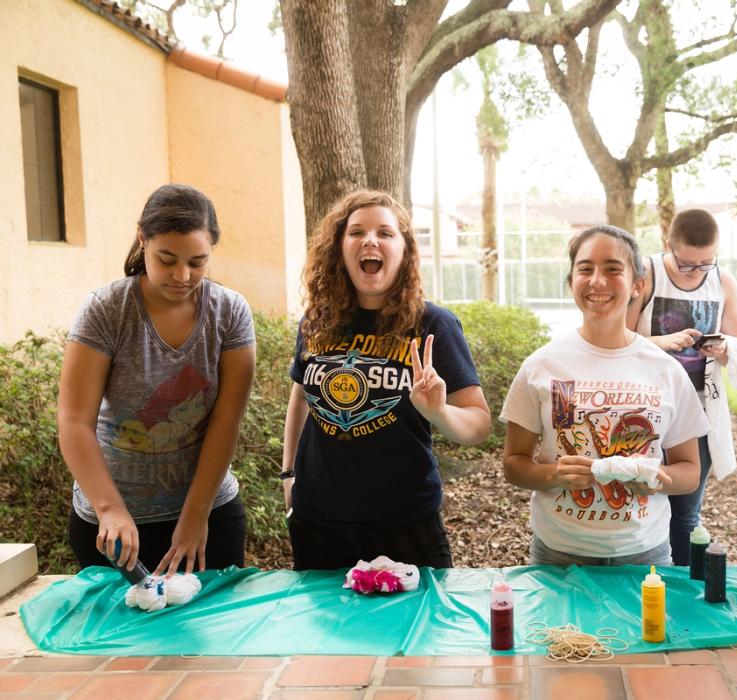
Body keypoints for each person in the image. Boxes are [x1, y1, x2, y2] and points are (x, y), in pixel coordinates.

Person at [282, 190, 490, 571]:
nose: (370, 240)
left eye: (385, 232)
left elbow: (478, 425)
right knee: (324, 632)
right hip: (318, 524)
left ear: (405, 251)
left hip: (405, 525)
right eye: (356, 232)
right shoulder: (317, 321)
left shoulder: (433, 325)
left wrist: (440, 411)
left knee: (418, 630)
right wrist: (288, 475)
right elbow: (300, 399)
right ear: (338, 248)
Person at [58, 184, 256, 578]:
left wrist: (196, 516)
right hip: (112, 527)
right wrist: (110, 509)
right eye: (167, 260)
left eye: (197, 262)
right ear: (142, 238)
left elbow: (226, 419)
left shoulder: (229, 312)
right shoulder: (106, 310)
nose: (182, 276)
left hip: (207, 518)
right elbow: (74, 421)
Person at [502, 224, 708, 566]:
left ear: (637, 285)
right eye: (585, 269)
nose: (597, 280)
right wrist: (553, 475)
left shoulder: (665, 370)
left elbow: (689, 471)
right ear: (571, 282)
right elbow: (514, 464)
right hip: (558, 556)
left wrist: (658, 480)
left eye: (613, 269)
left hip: (644, 556)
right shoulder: (542, 365)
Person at [627, 208, 737, 567]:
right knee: (640, 503)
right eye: (687, 264)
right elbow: (619, 339)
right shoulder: (646, 274)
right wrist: (663, 342)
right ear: (668, 246)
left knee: (686, 512)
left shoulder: (724, 282)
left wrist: (725, 348)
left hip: (698, 412)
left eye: (705, 264)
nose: (696, 271)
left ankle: (680, 591)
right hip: (644, 410)